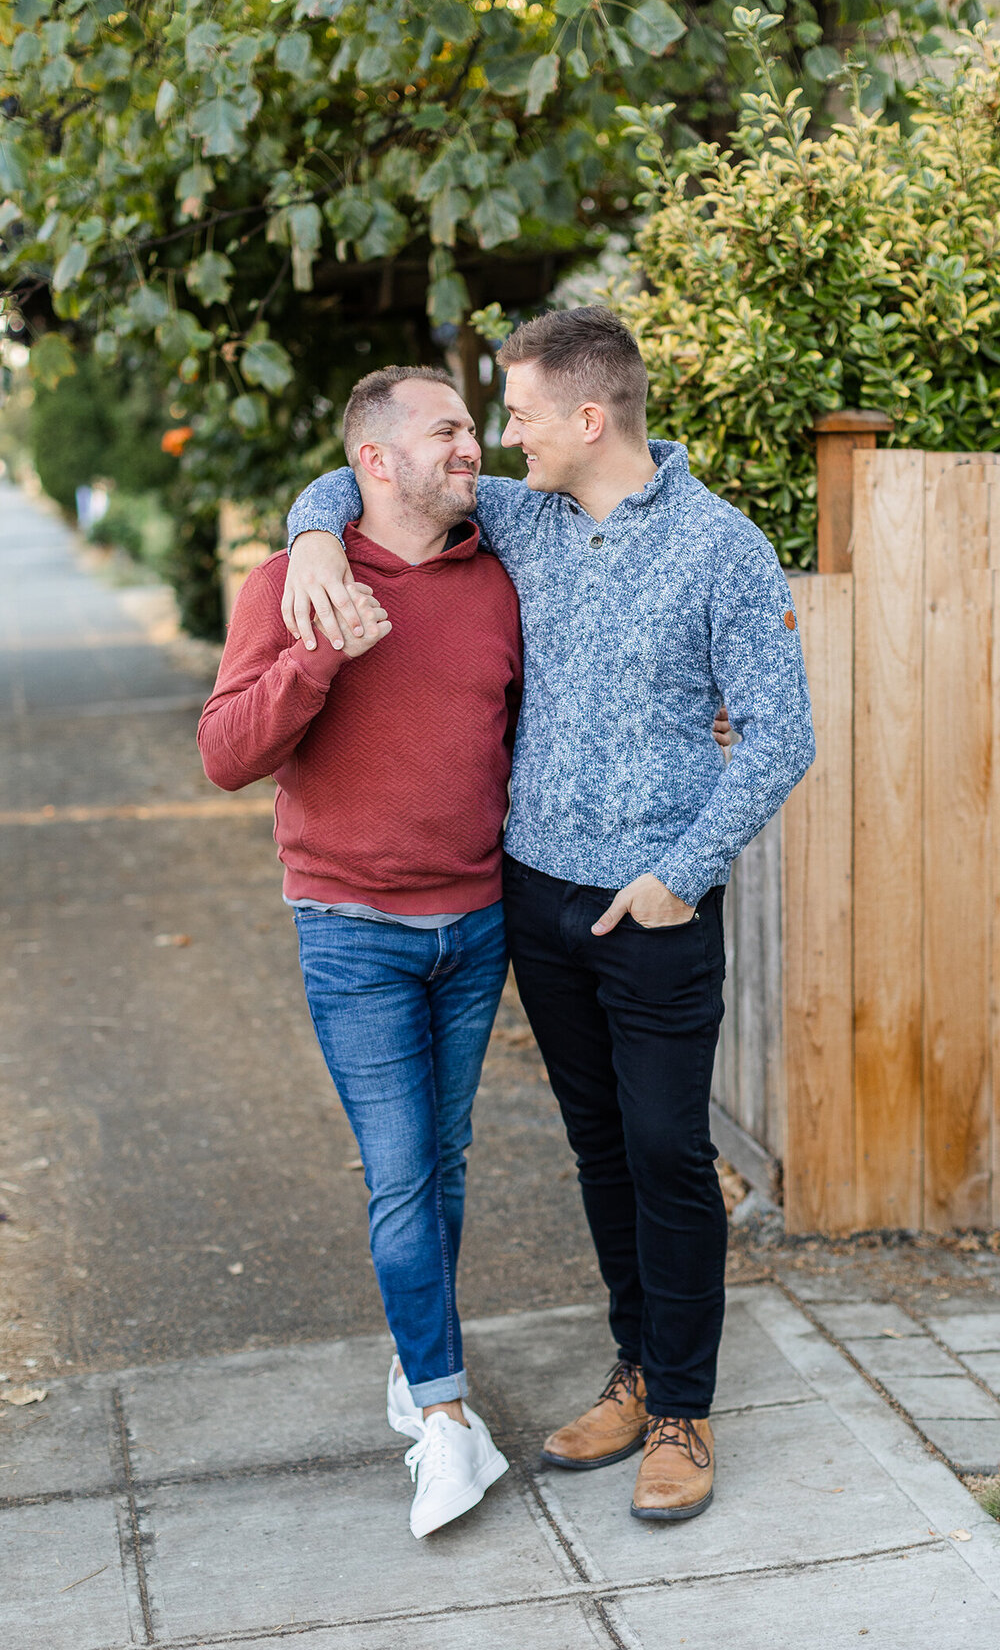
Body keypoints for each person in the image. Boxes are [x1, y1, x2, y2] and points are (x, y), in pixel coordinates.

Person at [283, 306, 815, 1525]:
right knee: (600, 1152)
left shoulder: (723, 546)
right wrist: (315, 541)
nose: (499, 436)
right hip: (535, 895)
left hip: (659, 905)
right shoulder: (516, 517)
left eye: (516, 413)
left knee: (672, 1152)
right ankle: (635, 1369)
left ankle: (684, 1408)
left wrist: (684, 869)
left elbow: (781, 733)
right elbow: (363, 471)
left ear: (590, 417)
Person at [198, 366, 522, 1540]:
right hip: (352, 933)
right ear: (375, 462)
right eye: (447, 432)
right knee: (399, 1172)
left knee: (445, 1155)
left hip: (478, 924)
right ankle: (442, 1417)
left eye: (475, 428)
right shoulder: (290, 583)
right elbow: (227, 755)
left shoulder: (501, 572)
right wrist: (317, 654)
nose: (472, 447)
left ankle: (412, 1349)